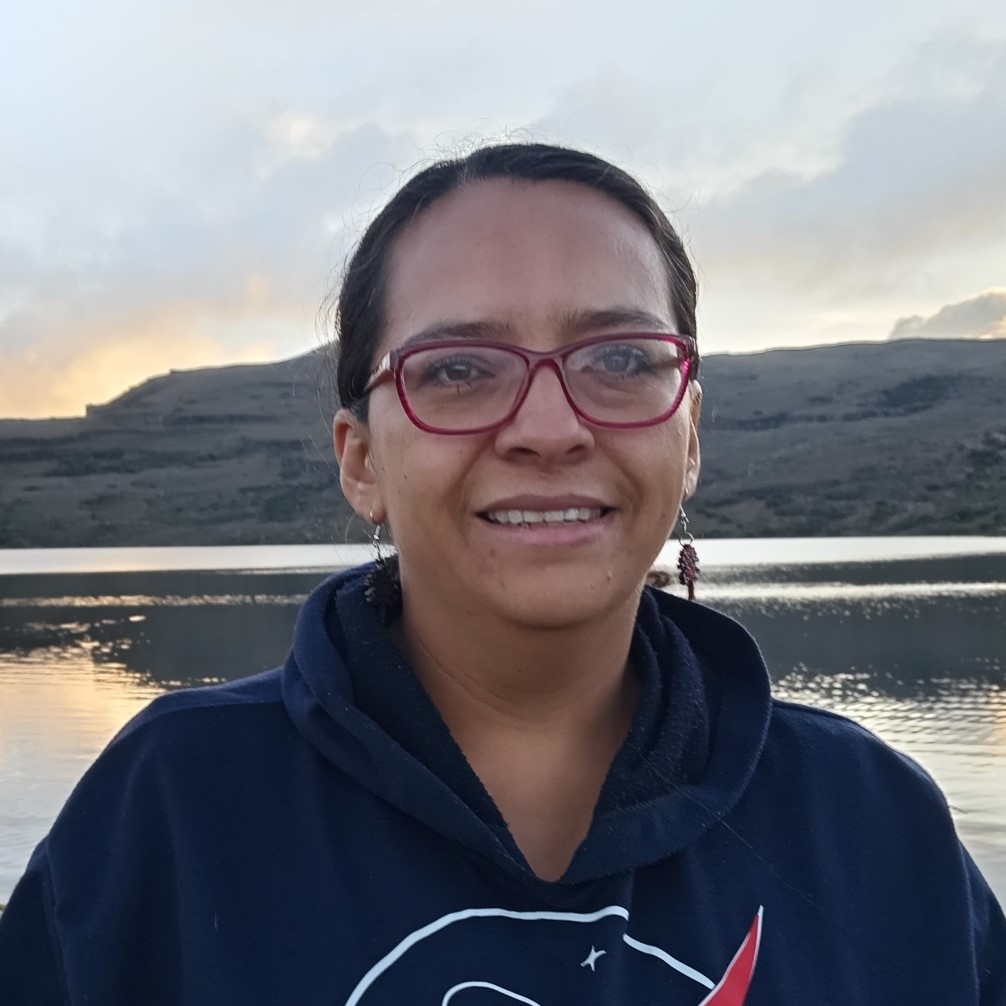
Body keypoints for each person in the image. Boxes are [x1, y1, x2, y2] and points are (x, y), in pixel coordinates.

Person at [0, 143, 1002, 1005]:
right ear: (361, 459)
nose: (549, 428)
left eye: (620, 359)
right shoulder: (175, 809)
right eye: (458, 370)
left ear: (689, 435)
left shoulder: (868, 823)